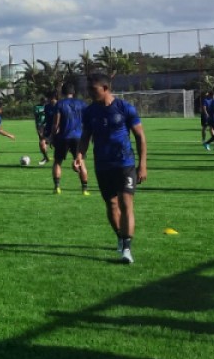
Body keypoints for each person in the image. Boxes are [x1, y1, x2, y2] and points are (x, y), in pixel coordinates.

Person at [75, 72, 146, 264]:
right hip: (102, 164)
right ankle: (121, 237)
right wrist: (79, 156)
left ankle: (127, 249)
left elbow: (140, 136)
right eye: (88, 89)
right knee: (112, 205)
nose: (90, 93)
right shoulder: (89, 111)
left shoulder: (124, 108)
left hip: (125, 163)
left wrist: (142, 165)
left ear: (105, 88)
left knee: (125, 202)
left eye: (93, 89)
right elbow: (85, 136)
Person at [51, 84, 89, 195]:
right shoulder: (82, 104)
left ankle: (57, 187)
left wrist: (53, 137)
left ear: (62, 93)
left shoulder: (60, 104)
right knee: (81, 162)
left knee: (57, 162)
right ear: (74, 92)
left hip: (63, 137)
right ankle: (84, 189)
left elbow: (56, 124)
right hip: (78, 137)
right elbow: (87, 121)